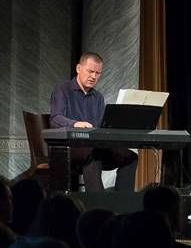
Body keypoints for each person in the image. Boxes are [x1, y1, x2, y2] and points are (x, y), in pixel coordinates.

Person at [49, 52, 138, 192]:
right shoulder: (63, 89)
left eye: (98, 73)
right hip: (69, 148)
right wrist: (75, 123)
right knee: (93, 153)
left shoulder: (98, 97)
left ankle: (123, 203)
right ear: (78, 68)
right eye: (90, 71)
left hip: (93, 146)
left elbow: (100, 127)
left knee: (130, 157)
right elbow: (55, 118)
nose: (93, 76)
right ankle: (98, 204)